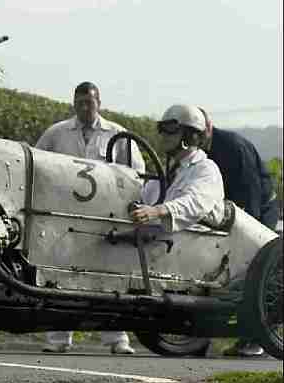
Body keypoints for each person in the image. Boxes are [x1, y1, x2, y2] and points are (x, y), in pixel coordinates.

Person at [35, 81, 145, 354]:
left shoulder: (117, 134)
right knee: (59, 277)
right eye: (80, 103)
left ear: (99, 103)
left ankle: (117, 340)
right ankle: (58, 340)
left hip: (104, 216)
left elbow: (137, 173)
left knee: (107, 276)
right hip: (63, 215)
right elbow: (36, 164)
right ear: (74, 104)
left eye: (90, 102)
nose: (85, 108)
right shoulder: (56, 133)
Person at [198, 107, 278, 357]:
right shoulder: (198, 151)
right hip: (226, 210)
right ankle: (201, 334)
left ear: (208, 128)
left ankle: (255, 338)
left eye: (198, 134)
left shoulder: (232, 146)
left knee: (256, 268)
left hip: (259, 209)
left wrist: (250, 229)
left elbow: (252, 191)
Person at [130, 104, 224, 233]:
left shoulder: (206, 169)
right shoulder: (165, 171)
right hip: (160, 243)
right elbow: (143, 198)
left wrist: (158, 211)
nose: (163, 134)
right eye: (161, 128)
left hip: (197, 245)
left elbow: (195, 202)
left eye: (170, 129)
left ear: (190, 135)